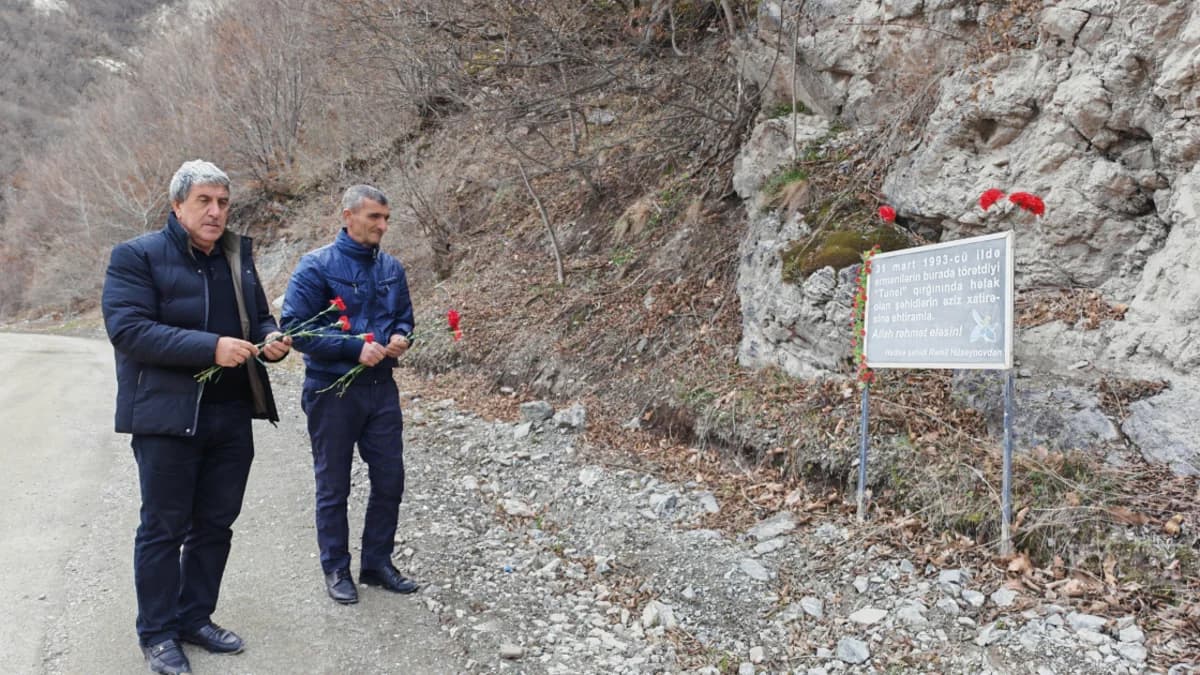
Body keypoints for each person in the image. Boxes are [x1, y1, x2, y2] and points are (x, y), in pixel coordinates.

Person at [102, 159, 291, 675]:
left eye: (223, 203)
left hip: (231, 412)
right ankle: (158, 634)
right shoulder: (136, 256)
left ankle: (194, 617)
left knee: (215, 524)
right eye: (204, 201)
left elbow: (260, 316)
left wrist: (271, 339)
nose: (215, 212)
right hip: (167, 418)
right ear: (177, 205)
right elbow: (129, 330)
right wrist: (211, 348)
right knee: (163, 528)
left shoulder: (236, 256)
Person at [282, 184, 419, 605]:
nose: (383, 226)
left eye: (386, 218)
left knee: (390, 479)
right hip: (331, 391)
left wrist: (402, 337)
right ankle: (336, 568)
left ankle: (377, 563)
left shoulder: (392, 268)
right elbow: (295, 329)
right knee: (333, 484)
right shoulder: (315, 266)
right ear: (348, 216)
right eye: (375, 217)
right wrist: (352, 348)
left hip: (381, 388)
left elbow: (405, 319)